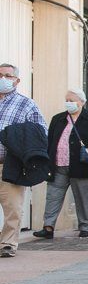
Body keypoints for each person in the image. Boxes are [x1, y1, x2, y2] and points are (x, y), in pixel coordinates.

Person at [33, 89, 88, 239]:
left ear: (82, 102)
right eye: (67, 100)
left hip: (82, 166)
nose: (69, 103)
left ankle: (85, 226)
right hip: (58, 165)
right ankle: (48, 227)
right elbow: (50, 141)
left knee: (84, 197)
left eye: (72, 100)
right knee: (53, 196)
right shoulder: (58, 119)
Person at [0, 63, 47, 257]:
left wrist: (15, 135)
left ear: (17, 80)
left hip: (10, 164)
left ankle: (7, 244)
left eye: (8, 76)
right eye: (0, 75)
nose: (3, 79)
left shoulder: (26, 104)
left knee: (13, 208)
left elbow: (40, 131)